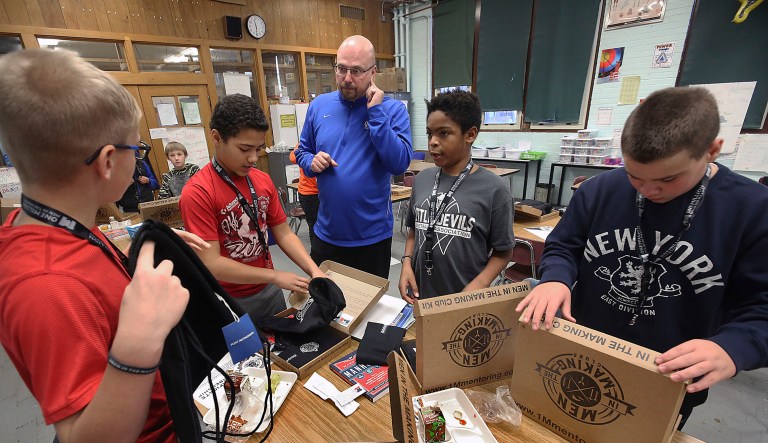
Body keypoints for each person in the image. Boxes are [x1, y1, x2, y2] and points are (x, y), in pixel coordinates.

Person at [516, 86, 768, 427]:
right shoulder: (599, 190)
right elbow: (565, 246)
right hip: (578, 354)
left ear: (712, 151)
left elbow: (761, 307)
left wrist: (734, 348)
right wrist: (556, 278)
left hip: (667, 377)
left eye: (668, 178)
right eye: (634, 175)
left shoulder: (752, 209)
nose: (648, 190)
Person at [0, 49, 209, 443]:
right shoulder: (44, 285)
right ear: (108, 161)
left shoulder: (57, 223)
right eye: (137, 149)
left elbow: (86, 275)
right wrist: (141, 337)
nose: (139, 158)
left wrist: (141, 248)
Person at [180, 93, 325, 317]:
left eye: (258, 149)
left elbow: (284, 233)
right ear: (217, 137)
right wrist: (275, 276)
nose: (253, 158)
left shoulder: (262, 180)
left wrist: (314, 270)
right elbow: (212, 263)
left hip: (268, 290)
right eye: (244, 149)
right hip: (227, 299)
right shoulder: (198, 192)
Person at [295, 35, 412, 279]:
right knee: (325, 299)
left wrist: (376, 114)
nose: (347, 78)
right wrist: (311, 162)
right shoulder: (319, 106)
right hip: (327, 234)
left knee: (369, 301)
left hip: (372, 238)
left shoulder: (392, 110)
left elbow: (399, 163)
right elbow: (302, 152)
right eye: (341, 69)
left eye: (356, 71)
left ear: (373, 72)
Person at [398, 90, 514, 302]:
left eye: (443, 133)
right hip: (421, 295)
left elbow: (503, 251)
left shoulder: (495, 189)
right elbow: (413, 230)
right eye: (429, 133)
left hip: (465, 299)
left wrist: (479, 285)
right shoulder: (422, 180)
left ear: (470, 135)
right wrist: (406, 262)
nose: (433, 142)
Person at [289, 144, 319, 246]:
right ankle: (316, 253)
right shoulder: (304, 144)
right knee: (314, 226)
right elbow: (293, 158)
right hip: (309, 193)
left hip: (323, 192)